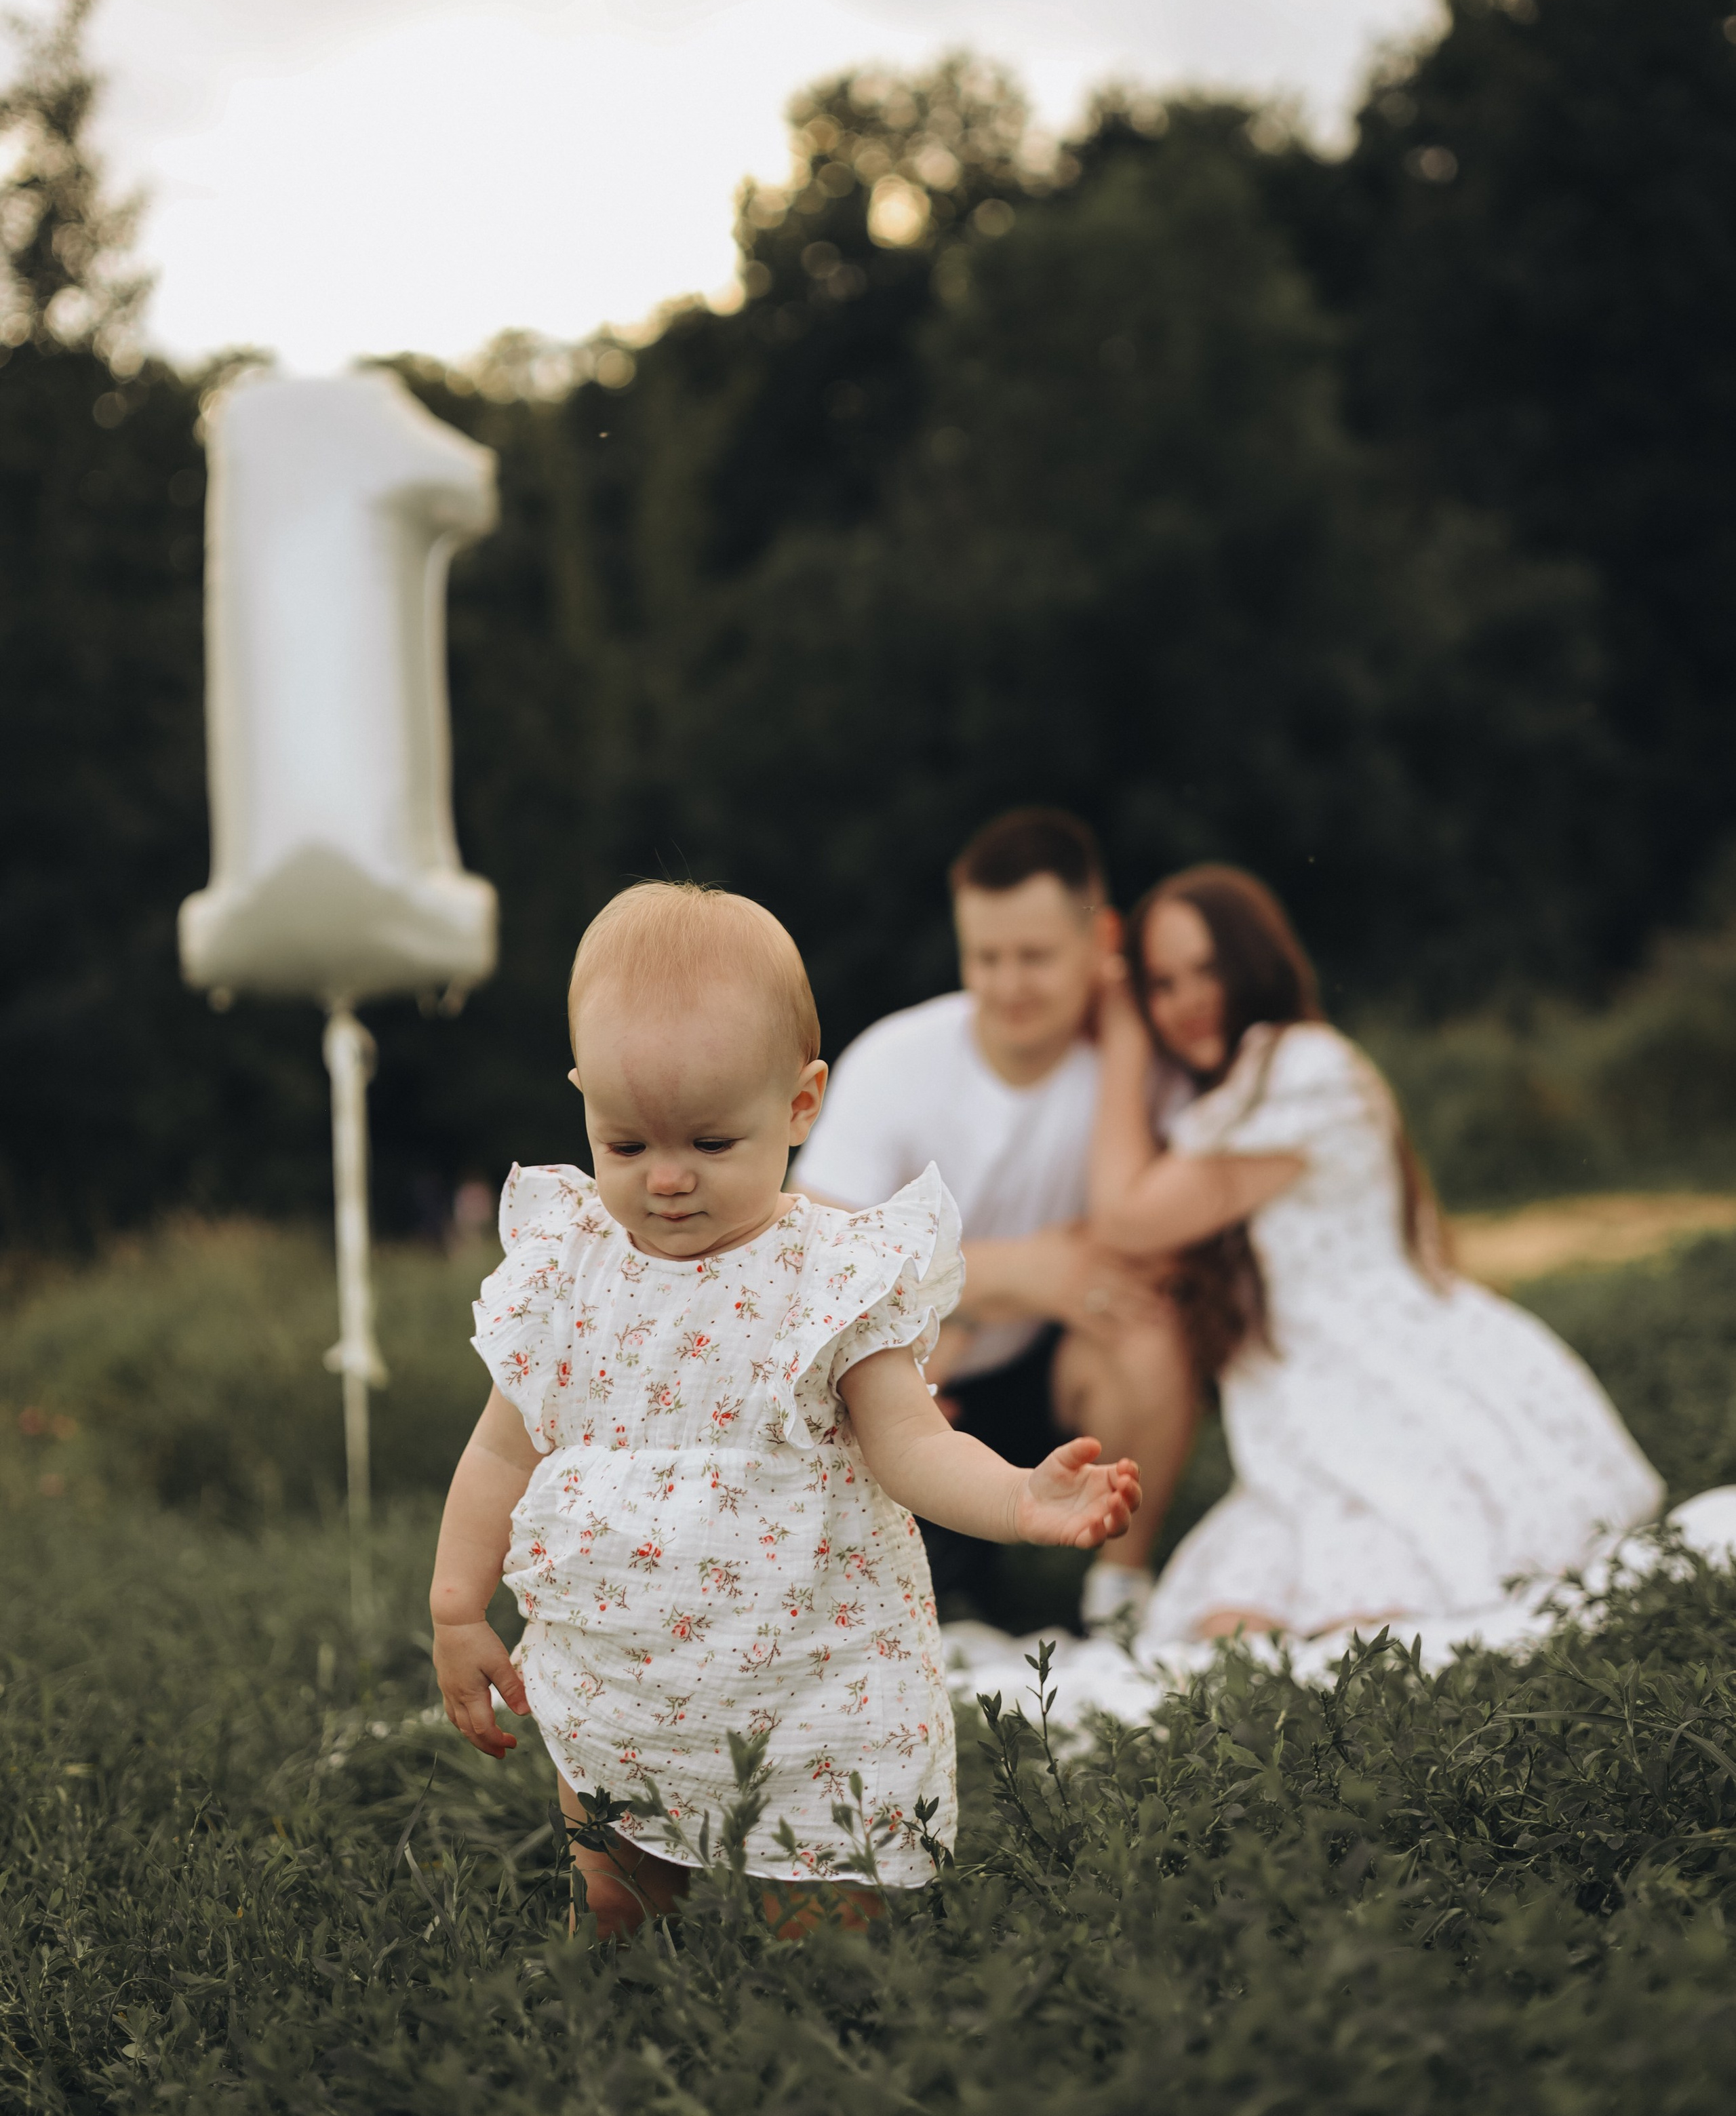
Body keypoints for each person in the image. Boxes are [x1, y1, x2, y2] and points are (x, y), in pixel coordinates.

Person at [430, 881, 1141, 1939]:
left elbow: (909, 1445)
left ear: (801, 1106)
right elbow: (499, 1452)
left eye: (712, 1145)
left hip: (803, 1660)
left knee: (819, 1888)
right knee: (614, 1850)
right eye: (626, 1145)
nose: (666, 1180)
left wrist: (1017, 1498)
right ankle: (617, 1931)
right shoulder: (566, 1270)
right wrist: (455, 1605)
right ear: (584, 1100)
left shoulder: (829, 1276)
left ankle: (817, 1992)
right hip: (620, 1653)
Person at [1088, 864, 1662, 1644]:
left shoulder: (1296, 1069)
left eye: (1207, 970)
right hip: (1312, 1401)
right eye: (1160, 984)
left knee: (1384, 1608)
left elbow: (1125, 1219)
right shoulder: (1242, 1090)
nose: (1187, 1001)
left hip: (1388, 1376)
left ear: (1256, 961)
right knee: (1227, 1624)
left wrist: (1122, 1035)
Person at [791, 809, 1196, 1631]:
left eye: (1037, 957)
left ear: (1101, 940)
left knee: (1150, 1332)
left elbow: (1166, 1252)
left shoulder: (1137, 1073)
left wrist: (1123, 1037)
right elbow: (807, 1254)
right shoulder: (896, 1060)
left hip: (1052, 1369)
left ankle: (1118, 1591)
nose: (1008, 984)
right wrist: (1024, 1273)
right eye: (986, 956)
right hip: (912, 1383)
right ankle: (949, 1579)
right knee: (932, 1606)